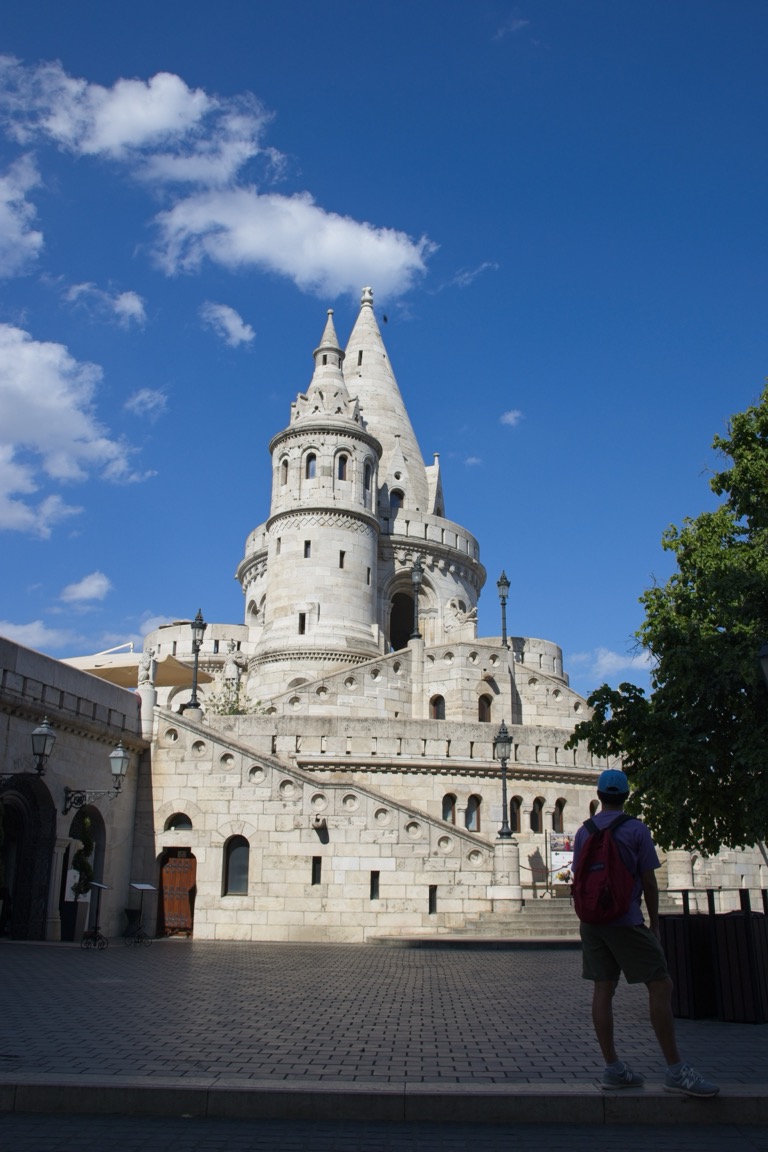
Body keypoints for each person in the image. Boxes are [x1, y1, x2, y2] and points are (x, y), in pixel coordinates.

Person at [572, 768, 719, 1097]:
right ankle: (676, 1069)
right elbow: (649, 881)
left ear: (599, 796)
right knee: (661, 984)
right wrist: (654, 922)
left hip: (592, 922)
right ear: (625, 796)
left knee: (602, 989)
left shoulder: (584, 831)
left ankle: (613, 1067)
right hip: (625, 920)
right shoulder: (636, 830)